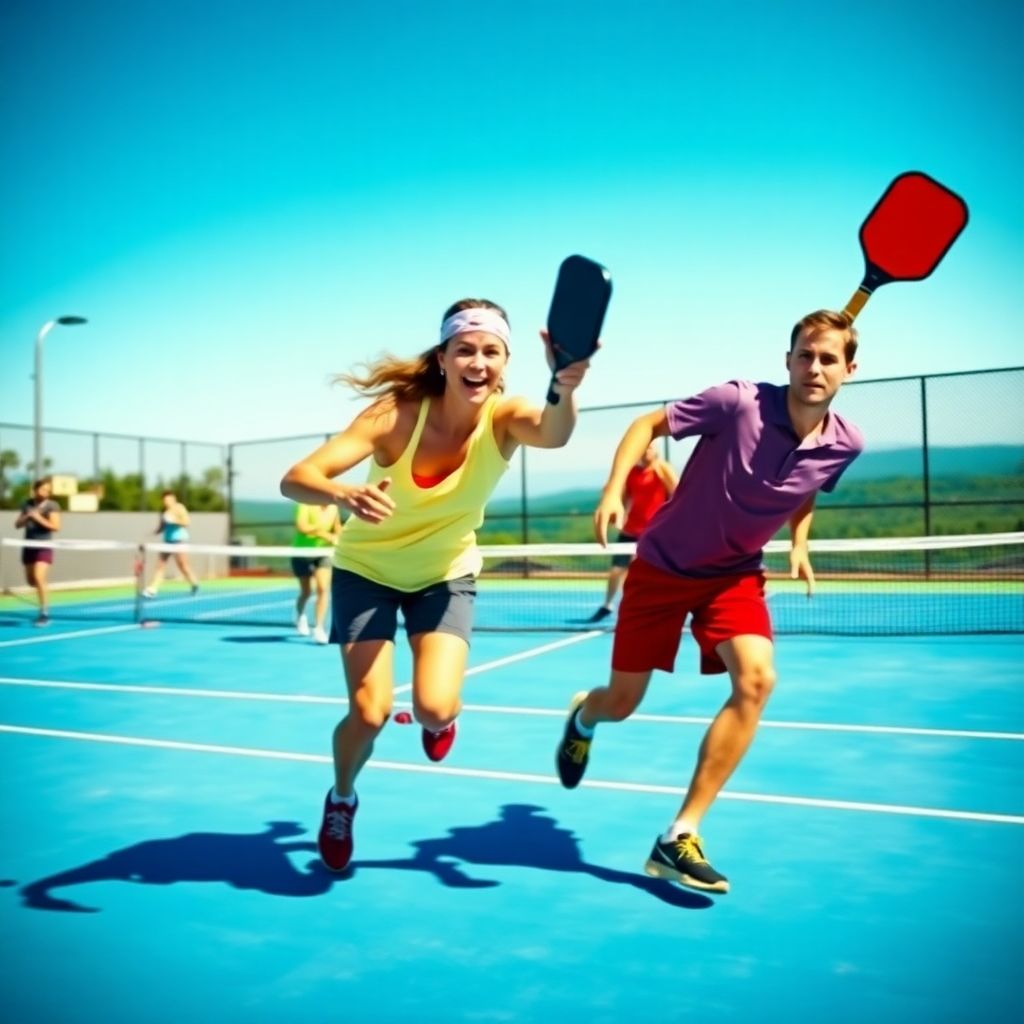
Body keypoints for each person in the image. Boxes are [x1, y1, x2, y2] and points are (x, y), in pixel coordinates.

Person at [556, 309, 863, 894]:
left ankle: (679, 835)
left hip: (735, 577)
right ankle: (584, 715)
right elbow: (647, 425)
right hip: (662, 568)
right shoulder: (738, 402)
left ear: (851, 369)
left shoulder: (846, 442)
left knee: (756, 680)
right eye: (805, 355)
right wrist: (613, 489)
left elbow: (807, 486)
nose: (815, 367)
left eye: (829, 359)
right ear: (788, 360)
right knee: (622, 702)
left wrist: (799, 541)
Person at [281, 298, 592, 873]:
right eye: (465, 349)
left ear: (505, 363)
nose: (478, 361)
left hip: (444, 576)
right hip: (366, 572)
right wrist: (343, 493)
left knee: (433, 707)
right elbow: (296, 479)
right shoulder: (395, 414)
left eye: (491, 352)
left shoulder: (506, 418)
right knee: (369, 714)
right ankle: (342, 798)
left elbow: (554, 434)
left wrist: (565, 387)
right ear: (444, 358)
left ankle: (442, 719)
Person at [587, 442, 677, 621]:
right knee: (616, 570)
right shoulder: (631, 473)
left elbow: (677, 493)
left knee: (651, 573)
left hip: (654, 533)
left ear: (656, 450)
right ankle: (607, 605)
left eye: (650, 448)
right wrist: (614, 508)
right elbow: (622, 497)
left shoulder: (662, 470)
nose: (646, 452)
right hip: (630, 531)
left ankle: (656, 607)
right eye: (643, 449)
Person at [291, 502, 342, 644]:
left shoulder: (333, 507)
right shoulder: (304, 504)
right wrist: (323, 534)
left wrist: (339, 537)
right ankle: (300, 615)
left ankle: (319, 628)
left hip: (324, 553)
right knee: (306, 591)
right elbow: (302, 527)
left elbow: (337, 527)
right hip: (302, 553)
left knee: (322, 588)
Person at [15, 477, 61, 626]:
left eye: (48, 490)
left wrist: (38, 517)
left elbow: (55, 526)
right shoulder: (27, 504)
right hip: (29, 546)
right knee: (31, 581)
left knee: (38, 576)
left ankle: (44, 613)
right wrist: (27, 516)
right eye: (42, 489)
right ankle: (44, 589)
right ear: (35, 490)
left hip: (44, 546)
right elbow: (17, 524)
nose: (45, 492)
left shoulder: (52, 506)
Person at [142, 490, 199, 597]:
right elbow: (162, 527)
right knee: (160, 565)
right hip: (167, 542)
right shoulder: (164, 512)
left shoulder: (179, 508)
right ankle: (153, 589)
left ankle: (194, 584)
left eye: (168, 499)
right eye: (164, 500)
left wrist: (174, 521)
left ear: (173, 499)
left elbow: (187, 522)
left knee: (183, 565)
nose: (166, 501)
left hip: (180, 541)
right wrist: (152, 533)